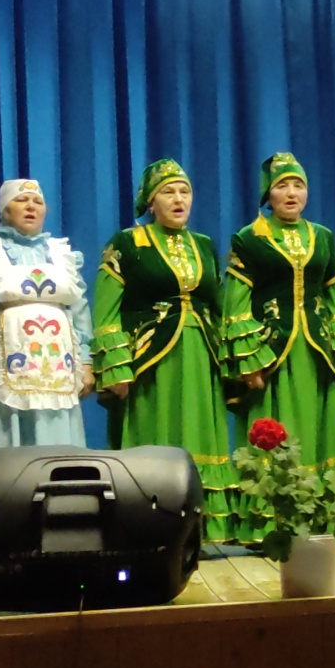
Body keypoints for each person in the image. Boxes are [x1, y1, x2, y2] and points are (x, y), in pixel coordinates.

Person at [92, 159, 238, 542]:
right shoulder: (127, 243)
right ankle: (147, 524)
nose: (178, 199)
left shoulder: (203, 245)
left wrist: (231, 360)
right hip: (150, 361)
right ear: (151, 202)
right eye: (168, 192)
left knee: (200, 435)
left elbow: (219, 305)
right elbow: (106, 310)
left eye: (184, 192)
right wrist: (115, 366)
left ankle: (201, 527)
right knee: (154, 434)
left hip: (201, 353)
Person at [222, 153, 335, 543]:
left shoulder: (322, 237)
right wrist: (247, 358)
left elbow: (334, 297)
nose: (291, 193)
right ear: (268, 195)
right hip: (270, 353)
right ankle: (271, 527)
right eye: (282, 186)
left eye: (298, 185)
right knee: (274, 433)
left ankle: (320, 519)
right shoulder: (249, 238)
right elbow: (236, 301)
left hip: (315, 351)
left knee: (317, 431)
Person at [0, 178, 93, 455]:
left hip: (57, 363)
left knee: (56, 439)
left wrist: (85, 362)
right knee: (2, 436)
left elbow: (79, 311)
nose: (31, 206)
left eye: (38, 202)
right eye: (22, 200)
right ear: (5, 209)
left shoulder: (62, 255)